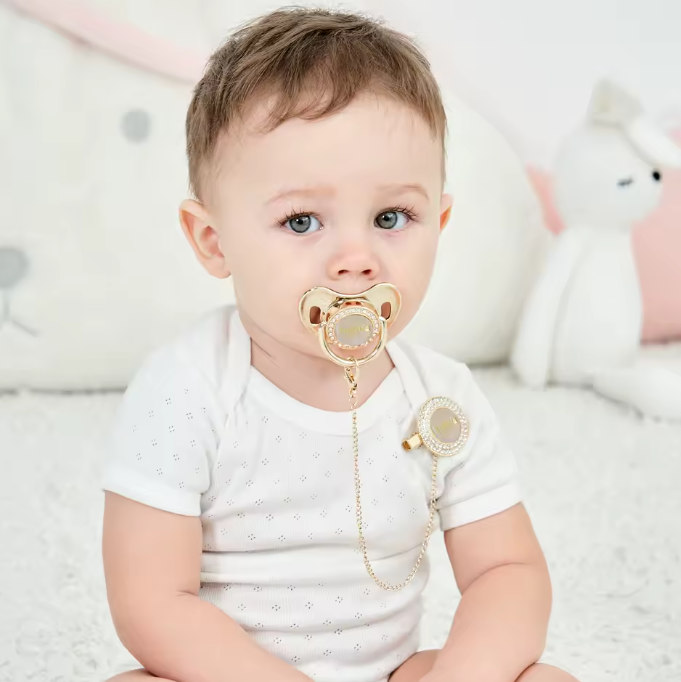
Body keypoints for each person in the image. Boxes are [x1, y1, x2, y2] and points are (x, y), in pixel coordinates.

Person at [101, 8, 580, 682]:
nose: (356, 258)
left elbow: (507, 569)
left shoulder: (439, 399)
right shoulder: (186, 389)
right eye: (302, 221)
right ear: (214, 241)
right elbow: (152, 604)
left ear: (439, 222)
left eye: (391, 217)